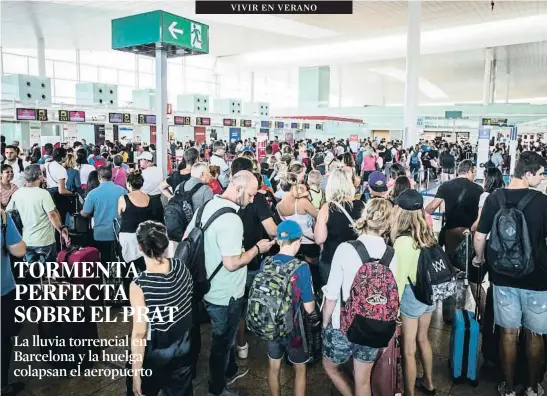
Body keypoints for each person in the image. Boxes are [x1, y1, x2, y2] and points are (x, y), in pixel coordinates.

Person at [184, 170, 275, 396]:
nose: (253, 200)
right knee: (222, 344)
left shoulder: (206, 207)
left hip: (204, 286)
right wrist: (257, 249)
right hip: (226, 293)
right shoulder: (232, 220)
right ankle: (217, 389)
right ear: (239, 188)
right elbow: (232, 263)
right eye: (252, 195)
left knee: (219, 338)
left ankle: (223, 375)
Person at [473, 151, 547, 396]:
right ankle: (532, 385)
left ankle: (507, 385)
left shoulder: (495, 198)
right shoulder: (541, 201)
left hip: (503, 276)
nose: (541, 178)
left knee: (508, 332)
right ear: (527, 174)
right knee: (534, 333)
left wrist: (479, 257)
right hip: (536, 278)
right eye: (540, 174)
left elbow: (480, 235)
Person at [322, 198, 396, 396]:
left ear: (365, 216)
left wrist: (325, 325)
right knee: (363, 381)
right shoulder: (391, 254)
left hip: (342, 324)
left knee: (330, 367)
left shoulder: (345, 248)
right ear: (388, 223)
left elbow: (331, 296)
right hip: (375, 325)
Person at [127, 221, 194, 396]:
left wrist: (136, 374)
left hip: (156, 353)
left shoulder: (139, 285)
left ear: (139, 247)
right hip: (183, 347)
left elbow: (140, 333)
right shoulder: (180, 266)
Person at [230, 158, 277, 360]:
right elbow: (271, 230)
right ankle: (266, 340)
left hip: (232, 260)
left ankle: (241, 345)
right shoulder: (257, 198)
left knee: (238, 305)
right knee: (259, 299)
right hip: (255, 258)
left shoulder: (223, 196)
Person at [391, 189, 438, 396]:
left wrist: (393, 309)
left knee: (408, 349)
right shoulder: (427, 233)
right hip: (429, 292)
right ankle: (429, 383)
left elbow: (399, 280)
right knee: (423, 338)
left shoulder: (402, 241)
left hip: (411, 294)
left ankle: (409, 392)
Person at [263, 220, 316, 396]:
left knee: (273, 367)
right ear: (299, 241)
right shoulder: (301, 267)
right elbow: (309, 308)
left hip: (271, 324)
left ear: (278, 240)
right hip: (295, 328)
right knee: (300, 370)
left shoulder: (267, 262)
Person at [7, 165, 69, 263]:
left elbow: (9, 212)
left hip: (26, 240)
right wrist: (61, 230)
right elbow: (52, 216)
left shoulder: (17, 193)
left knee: (32, 271)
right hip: (45, 240)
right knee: (48, 270)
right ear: (39, 176)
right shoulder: (43, 194)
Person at [314, 166, 365, 286]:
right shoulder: (360, 204)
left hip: (332, 259)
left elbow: (319, 239)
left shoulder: (327, 208)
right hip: (355, 258)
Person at [1, 210, 27, 396]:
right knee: (3, 339)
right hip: (2, 289)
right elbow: (19, 250)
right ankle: (3, 386)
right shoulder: (1, 216)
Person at [81, 166, 126, 268]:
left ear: (99, 177)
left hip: (101, 233)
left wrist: (80, 212)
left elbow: (85, 213)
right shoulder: (122, 191)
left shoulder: (92, 194)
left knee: (104, 259)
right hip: (119, 232)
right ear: (112, 176)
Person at [117, 172, 151, 273]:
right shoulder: (148, 197)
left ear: (128, 184)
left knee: (127, 266)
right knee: (143, 264)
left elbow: (119, 213)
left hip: (127, 235)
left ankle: (128, 285)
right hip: (143, 235)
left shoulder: (124, 198)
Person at [138, 151, 164, 223]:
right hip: (158, 202)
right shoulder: (159, 170)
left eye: (141, 160)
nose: (139, 162)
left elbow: (141, 189)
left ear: (146, 161)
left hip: (146, 203)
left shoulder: (143, 174)